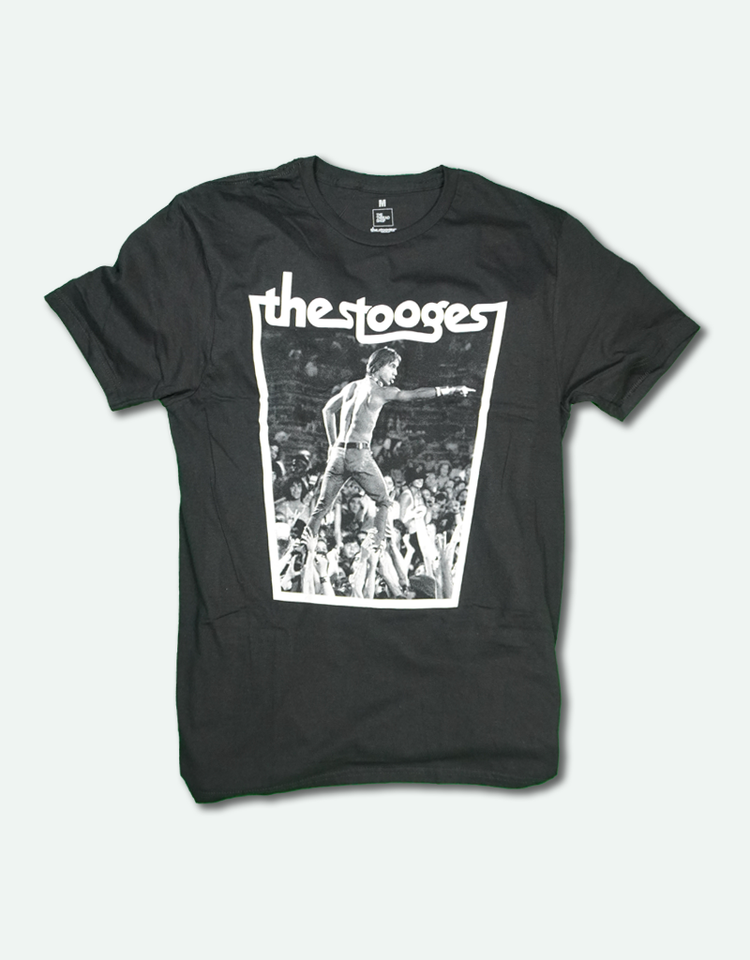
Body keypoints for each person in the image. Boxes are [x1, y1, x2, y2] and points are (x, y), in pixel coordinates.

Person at [307, 347, 475, 548]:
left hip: (338, 454)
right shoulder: (381, 392)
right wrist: (450, 389)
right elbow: (415, 395)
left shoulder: (351, 387)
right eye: (392, 366)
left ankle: (302, 548)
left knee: (321, 508)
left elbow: (327, 410)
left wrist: (333, 445)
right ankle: (377, 548)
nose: (395, 372)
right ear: (378, 366)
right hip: (358, 454)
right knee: (384, 501)